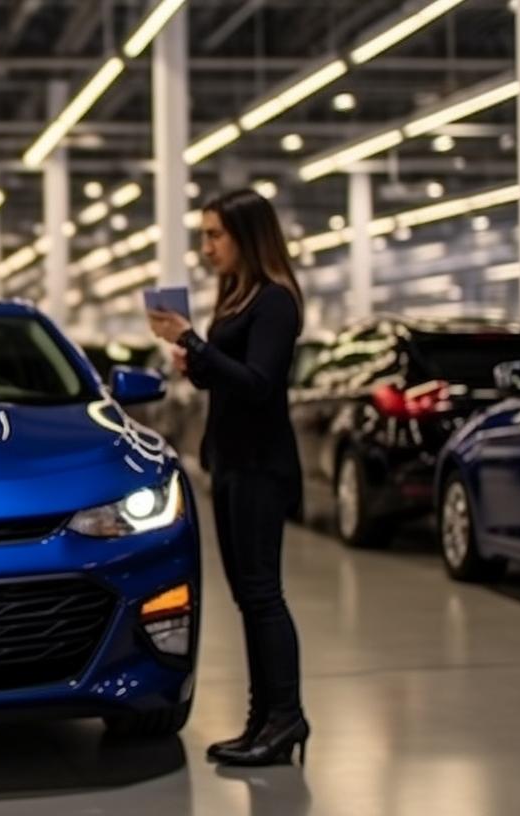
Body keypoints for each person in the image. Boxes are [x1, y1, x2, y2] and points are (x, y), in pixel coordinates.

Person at [147, 188, 309, 767]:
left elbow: (261, 384)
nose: (206, 246)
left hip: (263, 465)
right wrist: (193, 362)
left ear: (248, 235)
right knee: (248, 596)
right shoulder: (237, 299)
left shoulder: (276, 302)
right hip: (234, 461)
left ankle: (286, 718)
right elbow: (225, 381)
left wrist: (192, 340)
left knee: (263, 595)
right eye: (205, 235)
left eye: (215, 235)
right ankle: (262, 719)